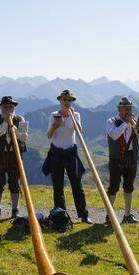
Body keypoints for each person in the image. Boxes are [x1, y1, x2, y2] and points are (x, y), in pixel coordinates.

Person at [41, 90, 92, 224]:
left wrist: (73, 117)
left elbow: (79, 131)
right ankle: (60, 215)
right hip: (56, 152)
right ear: (60, 101)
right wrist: (55, 125)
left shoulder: (76, 115)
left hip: (70, 152)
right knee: (58, 185)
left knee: (77, 184)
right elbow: (49, 136)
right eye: (65, 100)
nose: (67, 102)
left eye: (70, 100)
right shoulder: (54, 115)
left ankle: (84, 215)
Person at [0, 96, 28, 219]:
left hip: (15, 155)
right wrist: (6, 122)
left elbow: (24, 137)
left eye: (10, 107)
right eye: (5, 107)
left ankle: (15, 209)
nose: (7, 109)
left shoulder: (20, 119)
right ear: (1, 108)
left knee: (15, 182)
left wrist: (14, 128)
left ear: (14, 107)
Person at [106, 96, 139, 224]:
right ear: (119, 110)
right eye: (125, 108)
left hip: (131, 157)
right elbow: (114, 135)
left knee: (129, 186)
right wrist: (126, 123)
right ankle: (109, 216)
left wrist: (135, 125)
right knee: (113, 187)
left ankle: (127, 215)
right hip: (116, 158)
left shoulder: (133, 122)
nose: (127, 111)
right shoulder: (111, 121)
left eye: (129, 108)